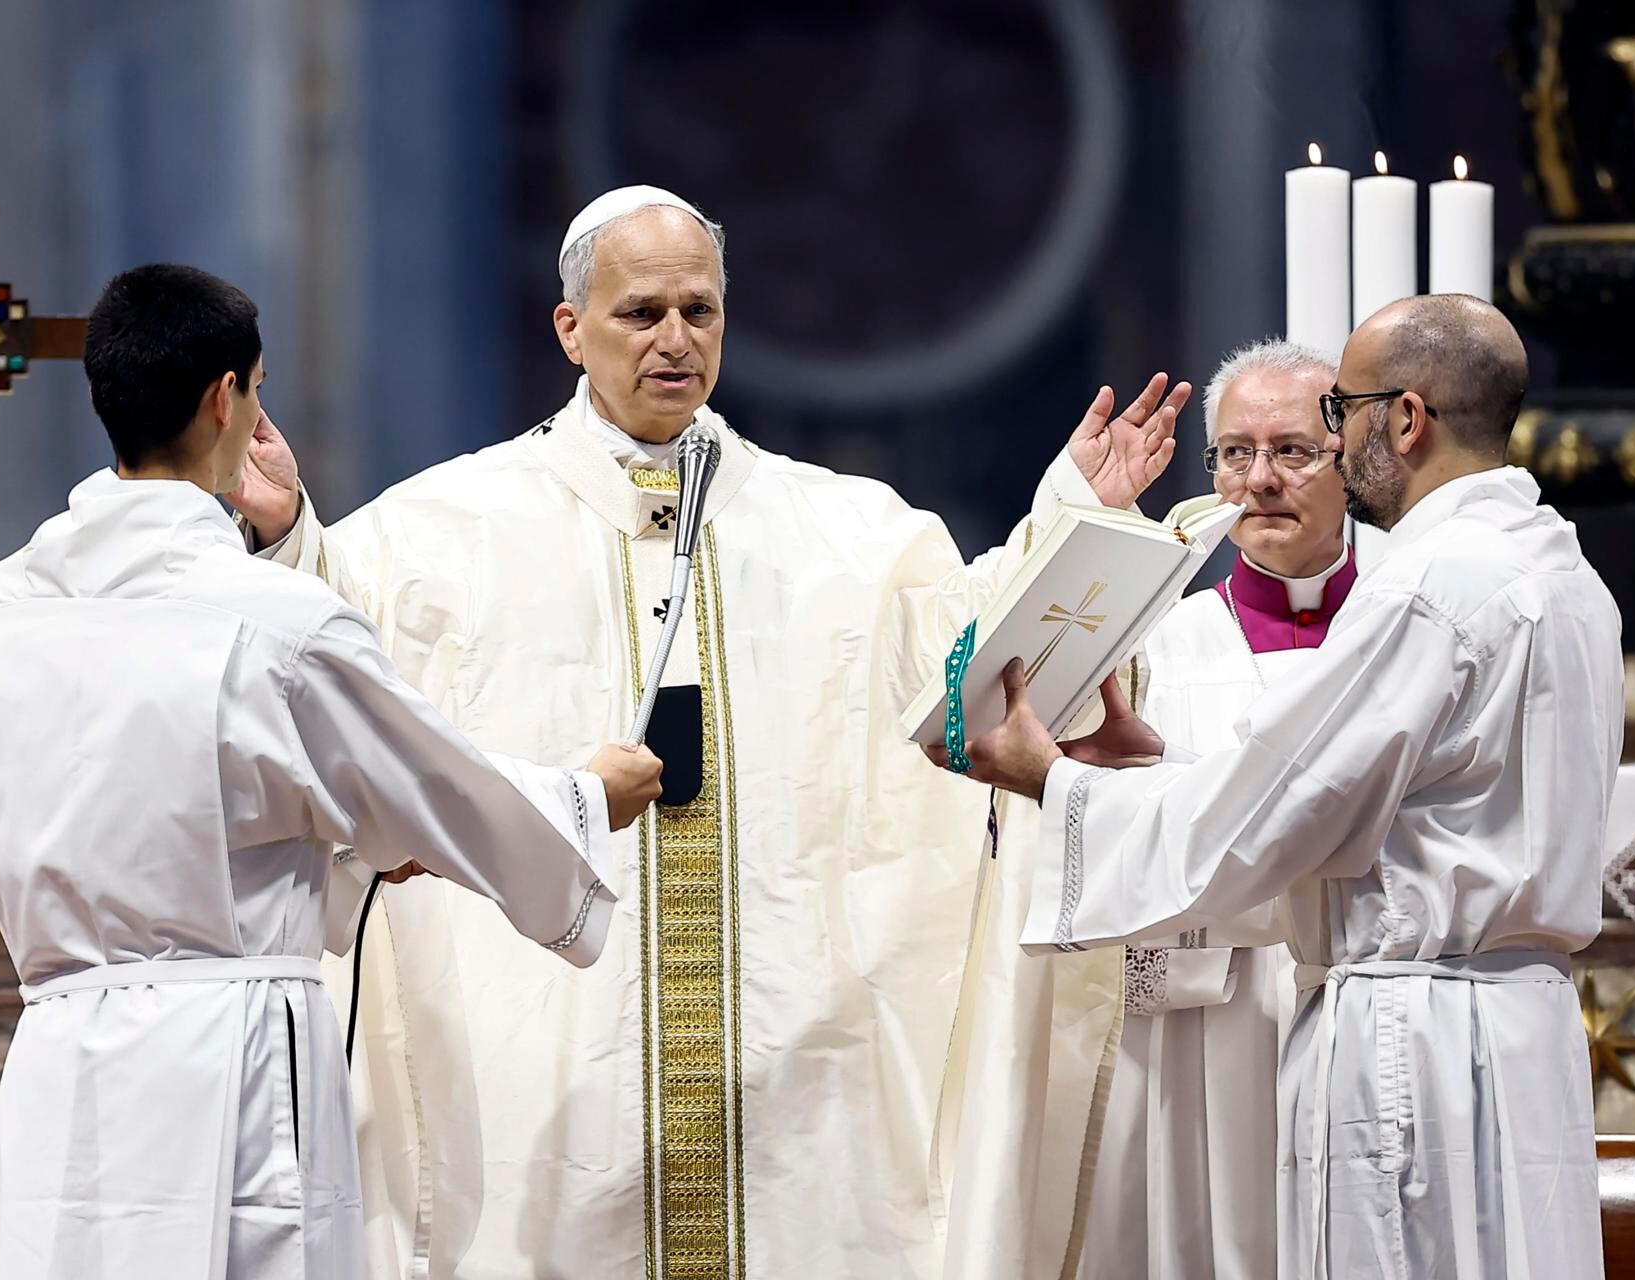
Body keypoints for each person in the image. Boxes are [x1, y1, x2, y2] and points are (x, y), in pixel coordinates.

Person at [228, 186, 1187, 1277]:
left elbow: (963, 657)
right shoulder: (445, 528)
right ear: (570, 327)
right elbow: (335, 649)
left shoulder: (844, 528)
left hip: (794, 1063)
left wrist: (1069, 514)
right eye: (642, 313)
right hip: (548, 1059)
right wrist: (290, 533)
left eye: (701, 309)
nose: (677, 339)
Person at [0, 264, 662, 1279]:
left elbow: (158, 813)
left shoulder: (9, 611)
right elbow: (437, 786)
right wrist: (587, 795)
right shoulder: (274, 624)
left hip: (66, 1056)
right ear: (225, 398)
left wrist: (346, 858)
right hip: (232, 1063)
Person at [933, 294, 1620, 1280]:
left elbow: (1275, 810)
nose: (1313, 453)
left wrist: (1060, 784)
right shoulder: (1567, 575)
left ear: (1408, 418)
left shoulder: (1426, 588)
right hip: (1513, 1035)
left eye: (1333, 419)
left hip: (1411, 1038)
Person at [1076, 338, 1349, 1280]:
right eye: (1236, 453)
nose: (1261, 480)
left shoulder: (1405, 618)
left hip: (1354, 998)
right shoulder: (1159, 637)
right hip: (1207, 1028)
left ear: (1349, 455)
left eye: (1293, 451)